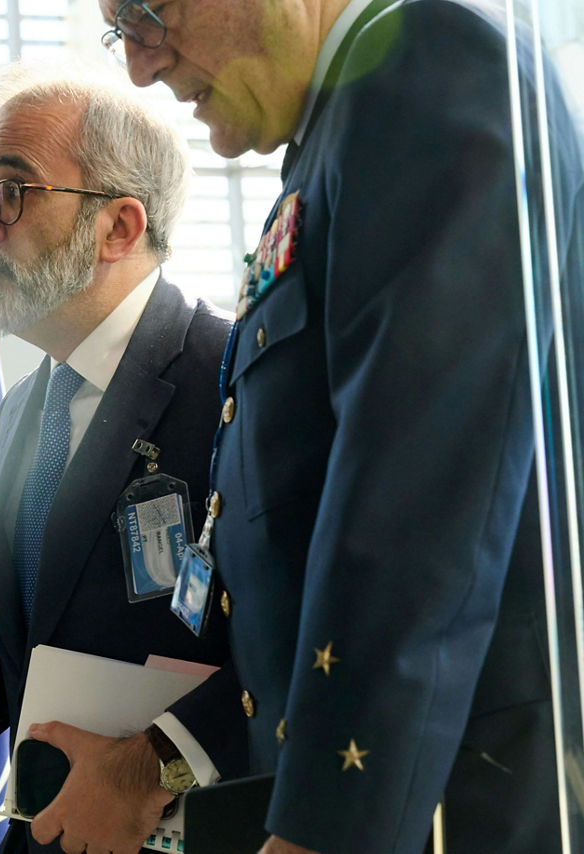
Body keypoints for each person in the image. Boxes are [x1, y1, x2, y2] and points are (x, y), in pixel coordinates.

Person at [85, 0, 584, 851]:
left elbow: (418, 509)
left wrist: (328, 827)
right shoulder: (347, 111)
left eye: (148, 10)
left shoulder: (427, 60)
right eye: (118, 30)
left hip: (446, 803)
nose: (139, 63)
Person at [0, 70, 247, 854]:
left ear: (119, 226)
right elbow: (42, 645)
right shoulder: (25, 406)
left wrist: (154, 766)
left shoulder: (233, 380)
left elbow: (312, 642)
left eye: (10, 191)